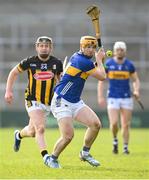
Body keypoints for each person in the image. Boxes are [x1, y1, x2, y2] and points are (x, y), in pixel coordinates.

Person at [42, 35, 107, 168]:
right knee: (68, 136)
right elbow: (102, 76)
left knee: (95, 124)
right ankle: (52, 159)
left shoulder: (79, 58)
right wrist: (99, 60)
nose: (90, 50)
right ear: (81, 47)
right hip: (62, 100)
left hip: (75, 101)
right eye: (87, 47)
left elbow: (91, 69)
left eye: (93, 47)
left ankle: (85, 152)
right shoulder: (82, 61)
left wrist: (98, 62)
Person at [4, 36, 63, 167]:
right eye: (41, 45)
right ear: (37, 47)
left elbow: (60, 81)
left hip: (48, 102)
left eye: (47, 45)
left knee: (32, 132)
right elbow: (13, 73)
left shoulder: (57, 63)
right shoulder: (29, 62)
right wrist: (8, 91)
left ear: (51, 48)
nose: (44, 48)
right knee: (40, 129)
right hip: (32, 99)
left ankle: (18, 135)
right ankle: (47, 157)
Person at [98, 41, 140, 154]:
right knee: (114, 123)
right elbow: (101, 80)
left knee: (126, 124)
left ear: (125, 51)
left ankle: (125, 147)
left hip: (126, 97)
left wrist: (136, 90)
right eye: (118, 50)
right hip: (112, 96)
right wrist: (100, 96)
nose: (120, 52)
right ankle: (115, 140)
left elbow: (135, 80)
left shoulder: (129, 65)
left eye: (122, 50)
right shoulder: (109, 64)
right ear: (114, 51)